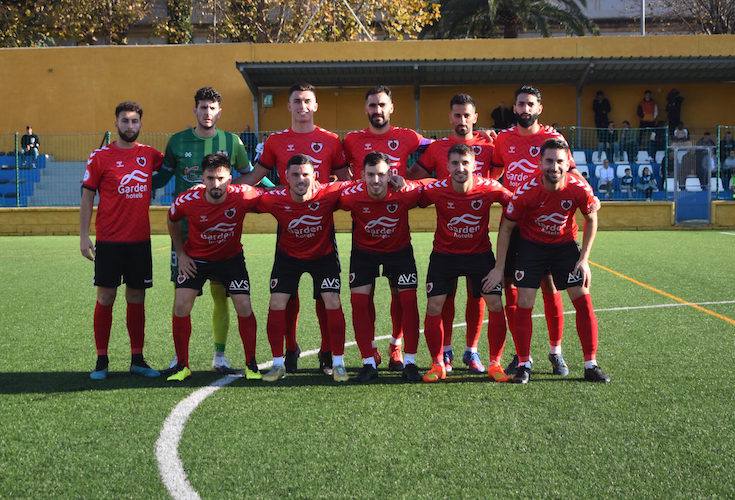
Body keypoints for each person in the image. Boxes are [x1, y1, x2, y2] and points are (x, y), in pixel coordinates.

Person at [152, 86, 263, 374]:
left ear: (219, 111)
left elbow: (253, 176)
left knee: (221, 296)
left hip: (222, 235)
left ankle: (220, 355)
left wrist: (287, 191)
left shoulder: (232, 141)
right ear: (195, 110)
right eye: (202, 107)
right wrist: (131, 180)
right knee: (182, 297)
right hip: (188, 236)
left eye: (212, 107)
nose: (207, 112)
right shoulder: (177, 142)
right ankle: (181, 361)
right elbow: (161, 178)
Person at [241, 83, 348, 376]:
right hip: (288, 226)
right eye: (296, 101)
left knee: (324, 297)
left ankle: (328, 354)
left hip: (322, 226)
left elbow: (346, 182)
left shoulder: (330, 140)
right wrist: (228, 191)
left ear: (315, 106)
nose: (302, 107)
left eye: (307, 101)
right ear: (288, 106)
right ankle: (290, 350)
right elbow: (257, 176)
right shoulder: (276, 141)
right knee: (285, 298)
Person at [482, 138, 610, 384]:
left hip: (564, 247)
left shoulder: (578, 187)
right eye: (549, 161)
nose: (554, 166)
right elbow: (506, 227)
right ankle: (523, 363)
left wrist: (584, 260)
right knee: (525, 302)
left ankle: (590, 364)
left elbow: (591, 219)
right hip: (532, 248)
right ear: (540, 163)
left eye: (559, 161)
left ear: (567, 163)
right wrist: (499, 267)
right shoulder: (527, 191)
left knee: (582, 298)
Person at [491, 85, 582, 377]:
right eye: (520, 104)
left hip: (550, 225)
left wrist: (587, 191)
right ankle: (521, 356)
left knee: (550, 287)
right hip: (515, 224)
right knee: (512, 290)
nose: (525, 109)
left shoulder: (553, 139)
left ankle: (556, 352)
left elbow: (573, 173)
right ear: (514, 107)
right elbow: (492, 176)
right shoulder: (502, 140)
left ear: (539, 108)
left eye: (531, 104)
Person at [410, 93, 502, 374]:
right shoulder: (438, 147)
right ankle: (444, 352)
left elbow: (501, 173)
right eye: (457, 115)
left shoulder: (488, 146)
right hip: (446, 243)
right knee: (444, 298)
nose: (462, 120)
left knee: (478, 298)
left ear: (475, 117)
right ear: (450, 117)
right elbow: (415, 177)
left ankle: (472, 352)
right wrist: (438, 187)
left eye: (467, 115)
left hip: (478, 241)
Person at [342, 85, 430, 370]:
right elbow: (335, 165)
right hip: (363, 236)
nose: (377, 111)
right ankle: (369, 357)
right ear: (365, 109)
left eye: (382, 105)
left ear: (391, 108)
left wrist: (484, 137)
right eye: (372, 106)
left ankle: (396, 344)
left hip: (397, 234)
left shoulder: (407, 136)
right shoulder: (351, 139)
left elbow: (438, 149)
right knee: (361, 299)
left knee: (400, 296)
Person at [80, 101, 163, 380]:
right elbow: (88, 196)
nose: (130, 126)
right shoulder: (99, 157)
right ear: (116, 123)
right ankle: (101, 360)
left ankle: (137, 359)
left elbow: (181, 166)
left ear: (140, 124)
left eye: (134, 121)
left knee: (136, 297)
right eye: (125, 121)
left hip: (140, 240)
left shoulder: (150, 155)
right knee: (106, 296)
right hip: (109, 241)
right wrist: (83, 235)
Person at [418, 144, 513, 383]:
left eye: (465, 163)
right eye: (455, 164)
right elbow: (413, 196)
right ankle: (437, 363)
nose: (460, 168)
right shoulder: (438, 189)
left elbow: (515, 203)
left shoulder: (489, 187)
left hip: (479, 256)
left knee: (494, 302)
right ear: (447, 166)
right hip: (443, 256)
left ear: (474, 165)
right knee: (434, 306)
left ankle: (495, 363)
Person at [165, 153, 262, 382]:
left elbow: (275, 198)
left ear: (230, 177)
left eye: (221, 178)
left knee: (244, 305)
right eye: (210, 178)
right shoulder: (188, 199)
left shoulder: (244, 195)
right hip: (196, 259)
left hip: (230, 259)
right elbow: (172, 219)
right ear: (203, 178)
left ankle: (251, 365)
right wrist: (181, 254)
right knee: (181, 305)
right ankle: (182, 365)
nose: (216, 184)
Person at [256, 154, 350, 383]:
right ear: (285, 176)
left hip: (324, 256)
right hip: (288, 257)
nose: (301, 179)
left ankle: (338, 363)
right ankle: (278, 364)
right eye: (295, 175)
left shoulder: (329, 193)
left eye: (306, 174)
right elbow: (241, 197)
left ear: (315, 176)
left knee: (332, 301)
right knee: (276, 303)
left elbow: (361, 185)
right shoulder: (274, 198)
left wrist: (394, 182)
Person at [339, 152, 425, 382]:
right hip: (363, 253)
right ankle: (368, 361)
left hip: (399, 252)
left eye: (381, 174)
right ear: (362, 176)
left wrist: (408, 183)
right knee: (359, 302)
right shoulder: (351, 196)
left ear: (390, 175)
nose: (376, 180)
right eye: (370, 175)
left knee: (407, 300)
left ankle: (408, 360)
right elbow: (326, 193)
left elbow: (432, 186)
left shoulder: (405, 193)